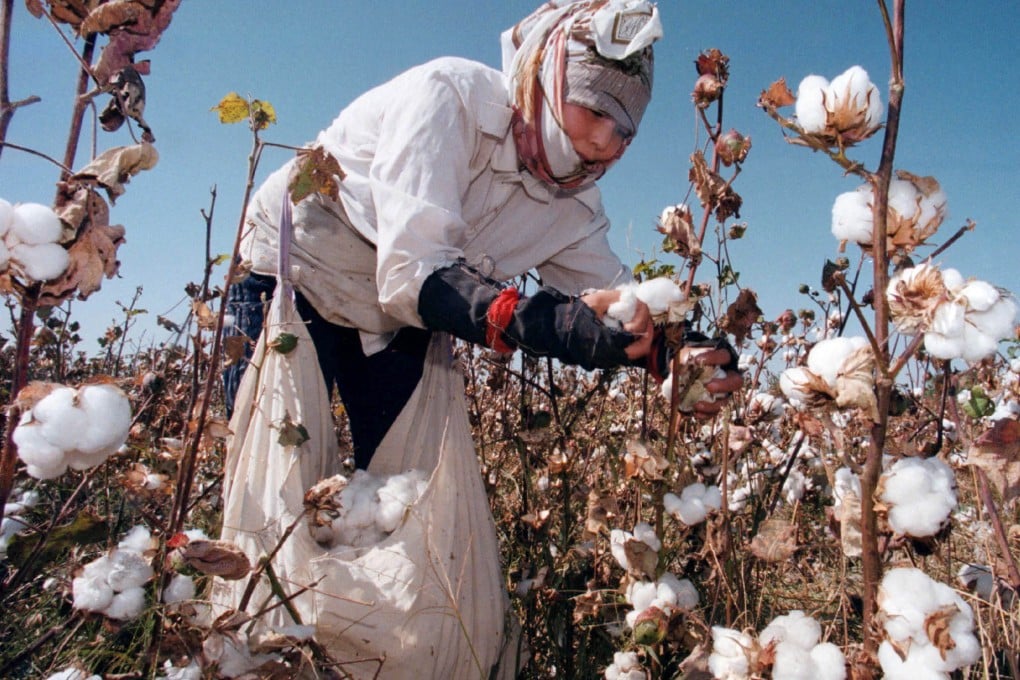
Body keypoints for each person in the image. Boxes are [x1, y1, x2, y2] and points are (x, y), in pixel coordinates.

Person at [224, 0, 742, 469]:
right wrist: (553, 325)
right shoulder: (448, 98)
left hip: (395, 317)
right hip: (295, 272)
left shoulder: (577, 209)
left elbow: (623, 303)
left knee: (398, 494)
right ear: (546, 76)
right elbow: (414, 273)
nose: (605, 140)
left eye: (626, 128)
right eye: (595, 108)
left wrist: (681, 353)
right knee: (278, 471)